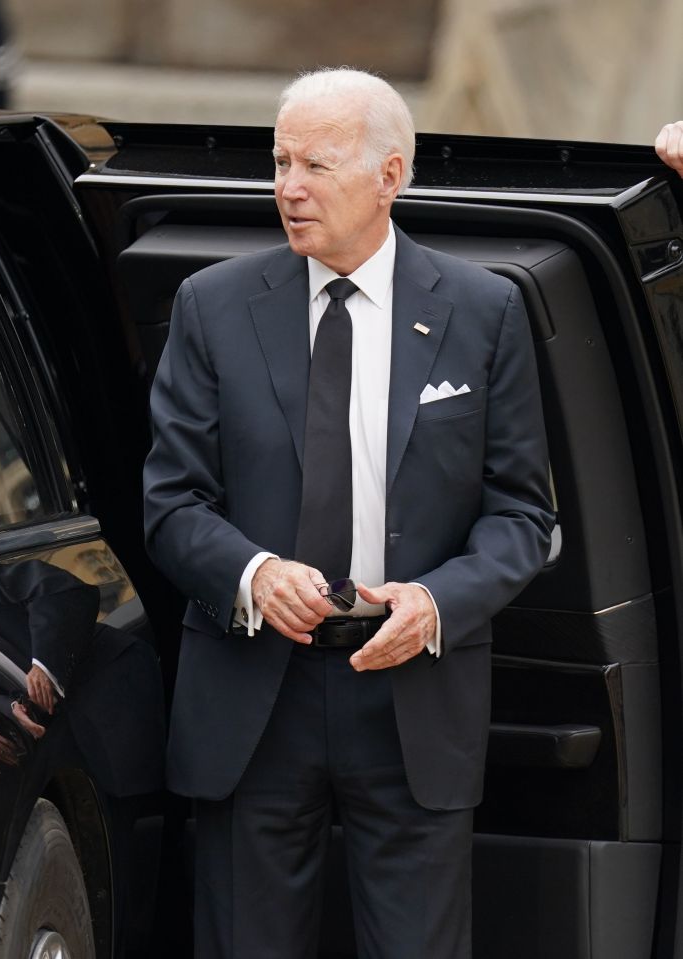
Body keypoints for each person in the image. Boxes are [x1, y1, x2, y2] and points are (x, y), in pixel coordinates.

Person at [144, 67, 554, 959]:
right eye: (280, 161)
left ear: (390, 175)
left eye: (317, 165)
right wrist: (253, 574)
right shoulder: (212, 307)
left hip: (410, 691)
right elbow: (171, 502)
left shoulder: (485, 312)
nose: (289, 187)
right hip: (255, 694)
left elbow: (523, 515)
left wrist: (437, 601)